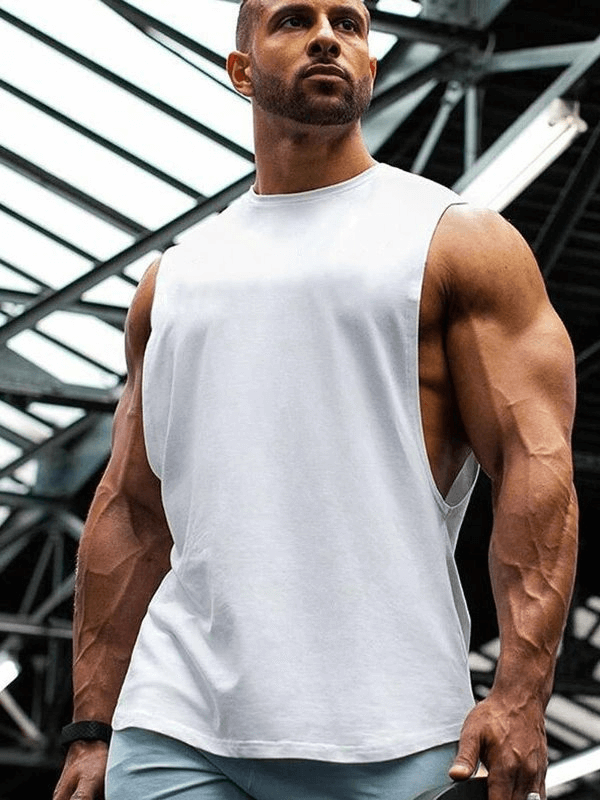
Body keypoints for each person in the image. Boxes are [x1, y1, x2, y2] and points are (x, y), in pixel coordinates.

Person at [53, 0, 578, 798]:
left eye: (350, 24)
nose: (328, 37)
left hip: (394, 730)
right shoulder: (172, 281)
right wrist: (93, 729)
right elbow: (130, 508)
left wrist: (521, 694)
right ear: (240, 70)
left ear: (370, 65)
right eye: (294, 20)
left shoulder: (457, 241)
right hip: (175, 729)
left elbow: (534, 465)